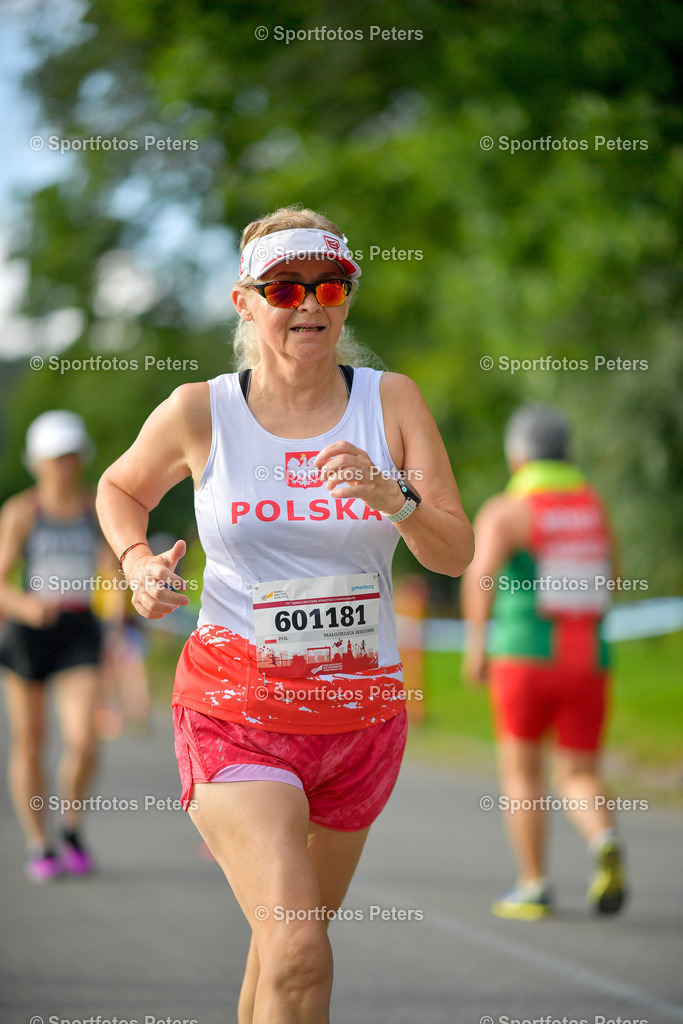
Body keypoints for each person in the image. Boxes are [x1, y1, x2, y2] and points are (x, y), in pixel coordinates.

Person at [96, 206, 474, 1024]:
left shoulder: (392, 402)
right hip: (235, 715)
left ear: (346, 297)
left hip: (361, 723)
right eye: (284, 288)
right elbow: (120, 487)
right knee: (300, 948)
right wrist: (134, 564)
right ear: (245, 302)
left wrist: (395, 496)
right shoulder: (203, 410)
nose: (309, 304)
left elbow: (455, 553)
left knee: (281, 956)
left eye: (329, 285)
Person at [462, 404, 628, 920]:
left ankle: (534, 884)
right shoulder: (593, 507)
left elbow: (481, 576)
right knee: (578, 771)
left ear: (518, 455)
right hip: (587, 658)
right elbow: (614, 578)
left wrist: (476, 644)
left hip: (523, 657)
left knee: (523, 774)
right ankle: (603, 837)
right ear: (568, 453)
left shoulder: (507, 511)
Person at [0, 410, 106, 882]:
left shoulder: (94, 509)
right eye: (54, 458)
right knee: (30, 743)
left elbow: (113, 574)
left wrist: (123, 616)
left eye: (70, 457)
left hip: (79, 630)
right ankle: (38, 842)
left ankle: (71, 827)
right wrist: (24, 606)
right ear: (37, 462)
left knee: (83, 739)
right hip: (28, 636)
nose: (64, 466)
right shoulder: (23, 513)